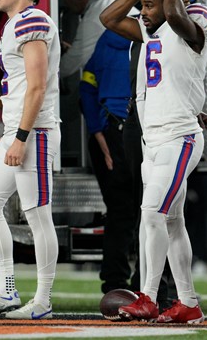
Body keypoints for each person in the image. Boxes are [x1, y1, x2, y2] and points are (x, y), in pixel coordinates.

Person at [100, 0, 207, 324]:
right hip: (152, 139)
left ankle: (148, 297)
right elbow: (108, 17)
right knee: (172, 223)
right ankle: (189, 302)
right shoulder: (150, 30)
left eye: (151, 5)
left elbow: (174, 17)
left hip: (179, 138)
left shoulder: (198, 18)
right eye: (145, 6)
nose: (146, 12)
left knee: (151, 214)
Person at [0, 0, 60, 320]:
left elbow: (37, 86)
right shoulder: (15, 23)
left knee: (37, 216)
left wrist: (20, 137)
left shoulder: (30, 21)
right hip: (18, 131)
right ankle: (8, 290)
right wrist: (7, 134)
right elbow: (20, 86)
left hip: (34, 131)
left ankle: (43, 299)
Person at [79, 28, 137, 294]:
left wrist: (97, 130)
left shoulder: (107, 38)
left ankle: (114, 282)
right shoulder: (159, 38)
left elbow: (86, 85)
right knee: (154, 210)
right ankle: (152, 283)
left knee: (119, 212)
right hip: (140, 129)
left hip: (109, 129)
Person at [59, 0, 125, 166]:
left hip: (114, 106)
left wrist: (40, 72)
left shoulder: (99, 12)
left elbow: (74, 62)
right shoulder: (115, 3)